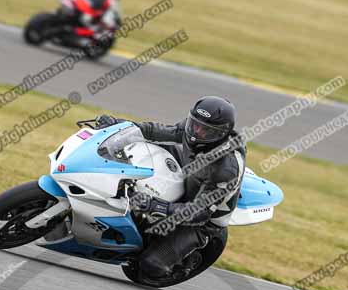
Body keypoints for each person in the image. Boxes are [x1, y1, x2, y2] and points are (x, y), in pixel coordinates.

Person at [96, 96, 245, 278]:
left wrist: (154, 205)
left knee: (150, 266)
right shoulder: (195, 128)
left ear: (221, 134)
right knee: (138, 149)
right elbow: (153, 131)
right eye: (194, 124)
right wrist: (117, 125)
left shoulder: (225, 169)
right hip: (188, 170)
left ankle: (185, 258)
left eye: (206, 131)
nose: (195, 133)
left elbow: (200, 213)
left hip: (202, 221)